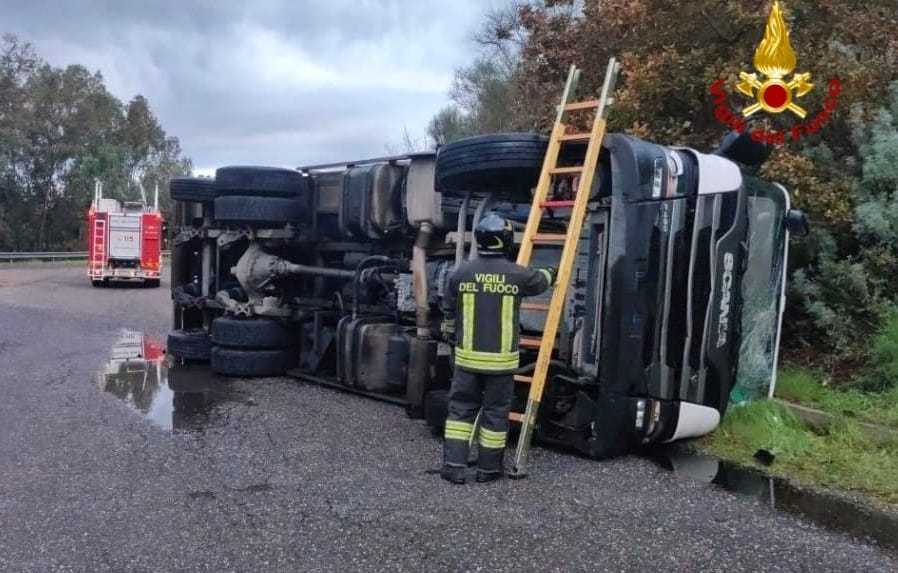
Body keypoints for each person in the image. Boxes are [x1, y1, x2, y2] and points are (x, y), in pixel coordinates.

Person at [440, 213, 555, 484]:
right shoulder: (516, 274)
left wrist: (450, 334)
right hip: (501, 365)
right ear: (505, 240)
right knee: (495, 415)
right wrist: (553, 272)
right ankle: (488, 470)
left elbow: (448, 311)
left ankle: (454, 467)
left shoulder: (460, 273)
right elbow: (540, 281)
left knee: (460, 413)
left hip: (467, 362)